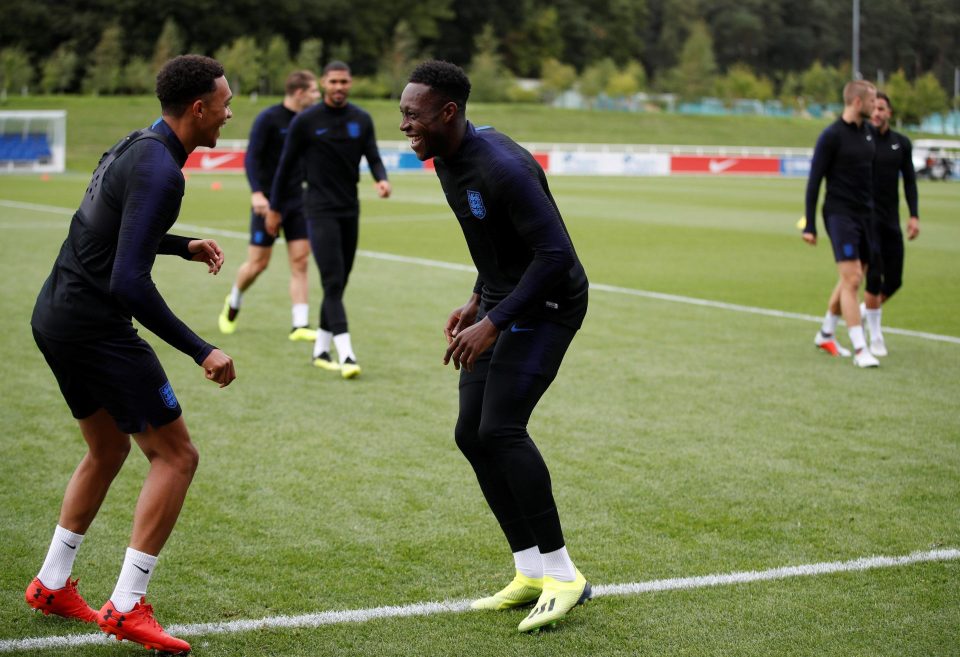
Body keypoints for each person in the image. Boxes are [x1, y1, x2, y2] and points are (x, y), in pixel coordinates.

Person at [25, 55, 236, 655]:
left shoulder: (136, 144)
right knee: (176, 456)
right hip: (97, 328)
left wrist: (178, 245)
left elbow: (104, 227)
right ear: (198, 108)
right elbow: (127, 283)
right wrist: (203, 349)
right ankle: (125, 606)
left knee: (108, 447)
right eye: (223, 104)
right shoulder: (163, 171)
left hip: (56, 314)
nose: (227, 113)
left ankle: (52, 583)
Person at [400, 60, 592, 633]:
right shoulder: (446, 158)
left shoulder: (501, 165)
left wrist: (495, 321)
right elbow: (494, 246)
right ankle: (530, 570)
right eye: (403, 114)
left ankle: (565, 576)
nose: (405, 125)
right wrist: (477, 299)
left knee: (501, 429)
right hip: (505, 303)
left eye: (413, 115)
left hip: (552, 304)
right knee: (470, 432)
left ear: (448, 112)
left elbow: (554, 255)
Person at [267, 60, 391, 379]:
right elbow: (284, 167)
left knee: (339, 282)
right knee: (333, 281)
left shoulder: (361, 119)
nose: (339, 87)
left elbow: (374, 155)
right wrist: (275, 209)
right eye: (333, 82)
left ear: (351, 83)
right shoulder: (306, 121)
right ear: (323, 83)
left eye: (344, 82)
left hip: (350, 209)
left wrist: (381, 178)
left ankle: (320, 349)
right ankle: (346, 354)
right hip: (318, 209)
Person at [218, 70, 321, 340]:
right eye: (314, 91)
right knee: (258, 264)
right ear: (299, 93)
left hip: (298, 201)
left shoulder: (310, 120)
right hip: (268, 203)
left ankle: (299, 324)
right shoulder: (268, 119)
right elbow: (252, 159)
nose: (317, 96)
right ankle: (235, 299)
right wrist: (257, 194)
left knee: (300, 261)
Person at [802, 79, 880, 368]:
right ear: (857, 102)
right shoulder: (831, 136)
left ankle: (826, 332)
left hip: (866, 215)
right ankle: (861, 349)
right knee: (852, 280)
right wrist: (809, 224)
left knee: (854, 275)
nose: (876, 106)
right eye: (872, 101)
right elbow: (814, 182)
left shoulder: (869, 134)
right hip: (839, 213)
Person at [862, 91, 920, 356]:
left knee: (894, 280)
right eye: (873, 108)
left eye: (881, 108)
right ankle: (875, 336)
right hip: (866, 217)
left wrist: (914, 215)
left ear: (889, 113)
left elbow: (909, 181)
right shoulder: (862, 140)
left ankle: (865, 310)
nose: (876, 112)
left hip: (891, 219)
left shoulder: (901, 143)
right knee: (873, 275)